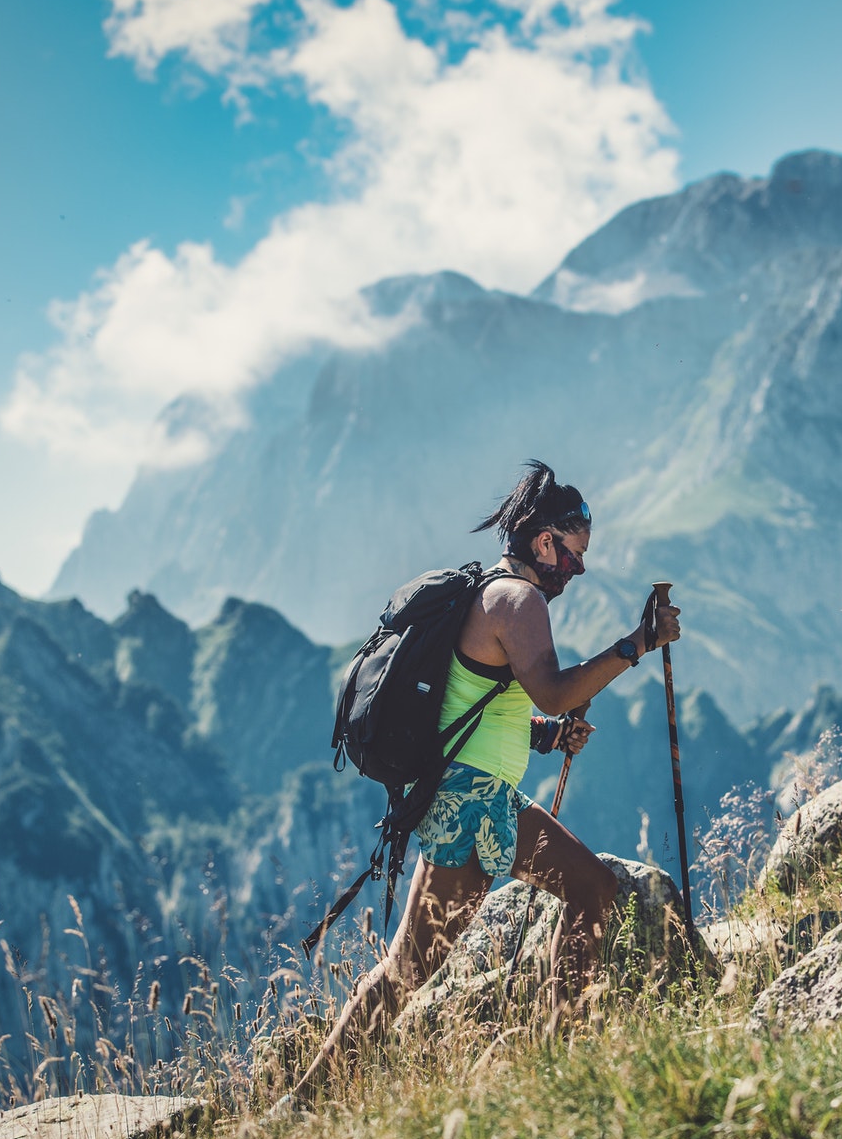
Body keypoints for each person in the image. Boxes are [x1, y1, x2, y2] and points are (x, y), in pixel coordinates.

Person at [281, 461, 680, 1101]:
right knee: (433, 957)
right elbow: (549, 692)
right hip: (473, 805)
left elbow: (481, 707)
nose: (575, 573)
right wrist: (634, 645)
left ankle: (305, 1099)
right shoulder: (516, 599)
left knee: (427, 960)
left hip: (471, 795)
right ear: (544, 541)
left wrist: (547, 740)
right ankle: (555, 1062)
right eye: (573, 558)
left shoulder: (487, 593)